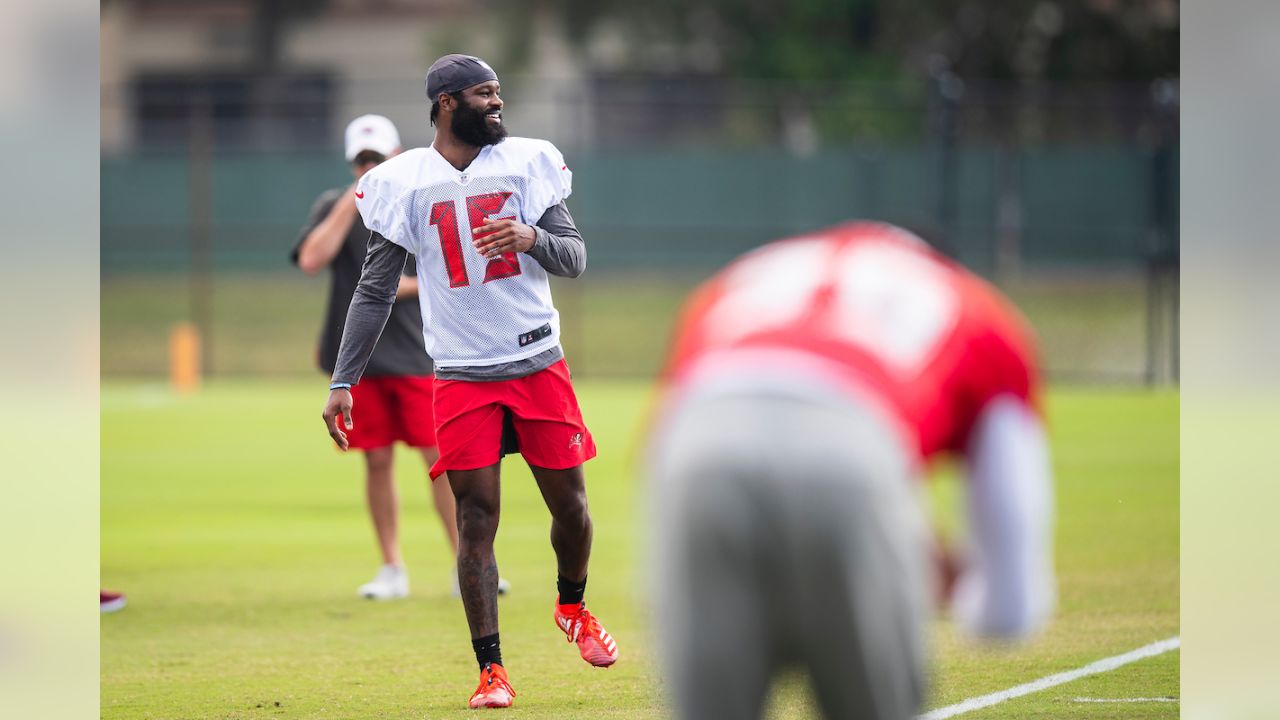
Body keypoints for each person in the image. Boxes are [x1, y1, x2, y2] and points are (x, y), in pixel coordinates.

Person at [648, 221, 1056, 720]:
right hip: (854, 456)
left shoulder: (748, 275)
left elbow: (685, 421)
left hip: (695, 449)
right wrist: (965, 593)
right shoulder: (973, 305)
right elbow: (1009, 606)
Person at [319, 55, 617, 709]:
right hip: (460, 373)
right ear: (447, 103)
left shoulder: (528, 161)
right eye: (485, 95)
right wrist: (345, 380)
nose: (497, 105)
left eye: (500, 93)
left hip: (537, 362)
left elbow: (574, 256)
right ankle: (491, 671)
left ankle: (572, 604)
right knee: (476, 518)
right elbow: (372, 291)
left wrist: (532, 235)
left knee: (572, 509)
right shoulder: (404, 181)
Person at [294, 114, 509, 600]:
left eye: (378, 159)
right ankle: (392, 567)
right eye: (362, 160)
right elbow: (312, 259)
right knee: (376, 461)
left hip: (417, 352)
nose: (370, 167)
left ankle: (467, 564)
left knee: (441, 459)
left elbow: (443, 267)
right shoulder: (337, 205)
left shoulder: (420, 197)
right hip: (361, 362)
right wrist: (354, 199)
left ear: (396, 156)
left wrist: (384, 288)